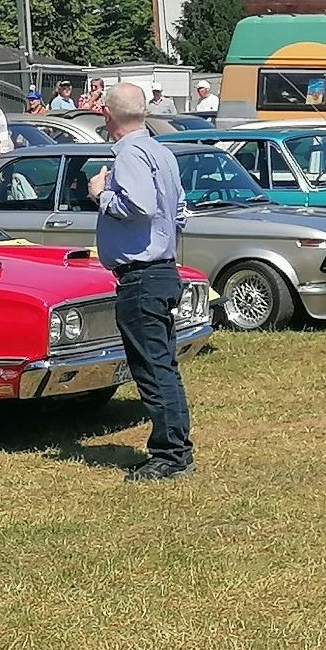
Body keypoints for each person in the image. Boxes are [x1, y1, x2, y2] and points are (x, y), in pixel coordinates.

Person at [86, 82, 194, 483]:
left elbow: (140, 205)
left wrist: (101, 194)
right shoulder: (161, 152)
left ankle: (170, 455)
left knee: (152, 368)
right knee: (163, 364)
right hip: (162, 269)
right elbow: (179, 210)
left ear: (106, 115)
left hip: (142, 276)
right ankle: (176, 448)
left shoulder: (130, 153)